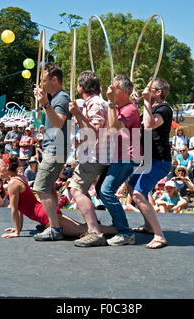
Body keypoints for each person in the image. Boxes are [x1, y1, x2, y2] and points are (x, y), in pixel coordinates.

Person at [0, 156, 117, 239]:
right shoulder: (19, 179)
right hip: (45, 212)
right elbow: (20, 209)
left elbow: (14, 209)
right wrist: (17, 228)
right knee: (82, 228)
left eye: (0, 165)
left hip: (45, 216)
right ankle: (118, 229)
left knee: (83, 230)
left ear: (7, 167)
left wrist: (17, 231)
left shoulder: (13, 184)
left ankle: (120, 230)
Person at [126, 78, 172, 249]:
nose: (145, 91)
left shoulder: (164, 109)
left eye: (148, 89)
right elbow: (137, 127)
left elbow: (150, 125)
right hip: (149, 160)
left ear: (157, 92)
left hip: (160, 161)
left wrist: (145, 101)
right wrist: (136, 104)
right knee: (131, 186)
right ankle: (147, 225)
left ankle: (159, 235)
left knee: (138, 194)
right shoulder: (149, 108)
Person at [95, 74, 141, 246]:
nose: (112, 90)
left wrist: (111, 102)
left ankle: (125, 232)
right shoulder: (119, 108)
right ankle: (118, 224)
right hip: (118, 156)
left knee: (106, 191)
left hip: (126, 157)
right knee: (101, 189)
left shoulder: (130, 109)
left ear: (126, 91)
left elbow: (114, 128)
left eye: (116, 88)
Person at [66, 70, 110, 247]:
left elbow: (95, 130)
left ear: (81, 87)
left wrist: (77, 114)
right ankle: (94, 225)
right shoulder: (92, 103)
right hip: (94, 154)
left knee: (76, 189)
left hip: (95, 156)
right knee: (82, 190)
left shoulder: (96, 103)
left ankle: (95, 231)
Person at [32, 63, 71, 241]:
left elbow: (59, 123)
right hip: (53, 148)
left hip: (56, 150)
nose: (42, 84)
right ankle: (54, 222)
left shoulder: (61, 98)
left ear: (55, 79)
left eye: (45, 80)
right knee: (49, 188)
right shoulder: (55, 98)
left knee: (40, 188)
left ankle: (55, 228)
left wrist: (45, 104)